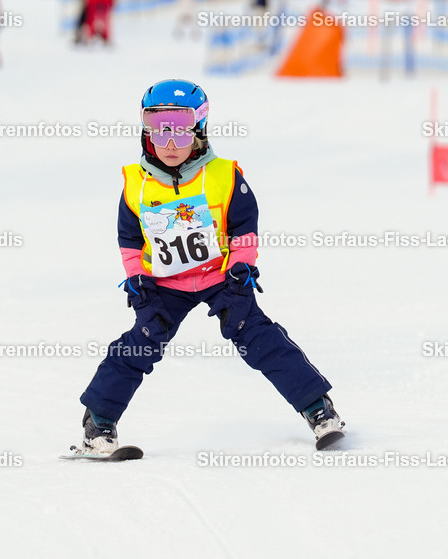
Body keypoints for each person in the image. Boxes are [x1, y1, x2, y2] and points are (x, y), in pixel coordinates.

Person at [77, 79, 344, 454]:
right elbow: (129, 238)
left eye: (181, 131)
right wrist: (136, 276)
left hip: (220, 277)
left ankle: (318, 409)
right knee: (140, 345)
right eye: (159, 129)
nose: (169, 143)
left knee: (257, 336)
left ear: (199, 130)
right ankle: (98, 424)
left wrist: (240, 269)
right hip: (164, 284)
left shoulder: (223, 176)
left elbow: (244, 229)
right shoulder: (135, 184)